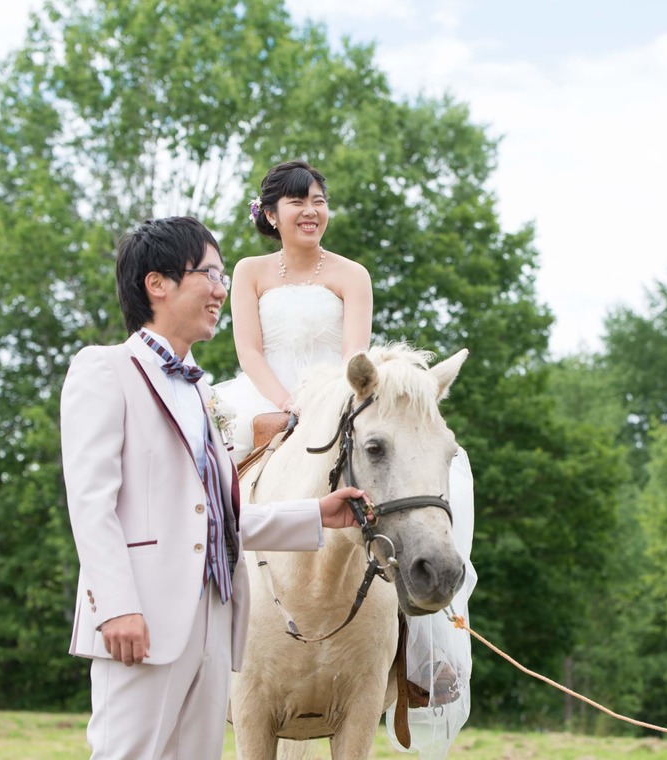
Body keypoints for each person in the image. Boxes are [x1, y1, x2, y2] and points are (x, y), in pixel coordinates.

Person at [59, 215, 368, 760]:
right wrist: (115, 606)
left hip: (214, 623)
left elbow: (214, 521)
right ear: (157, 283)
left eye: (223, 276)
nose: (223, 290)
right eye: (209, 274)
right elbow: (91, 505)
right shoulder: (105, 370)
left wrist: (316, 515)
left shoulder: (204, 396)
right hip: (143, 620)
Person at [214, 160, 477, 758]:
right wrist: (284, 407)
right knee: (209, 479)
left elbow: (356, 355)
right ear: (271, 213)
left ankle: (426, 653)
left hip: (342, 397)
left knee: (439, 481)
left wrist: (323, 407)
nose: (311, 210)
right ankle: (201, 622)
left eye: (320, 199)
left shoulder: (352, 274)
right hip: (267, 398)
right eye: (297, 201)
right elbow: (250, 350)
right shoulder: (250, 272)